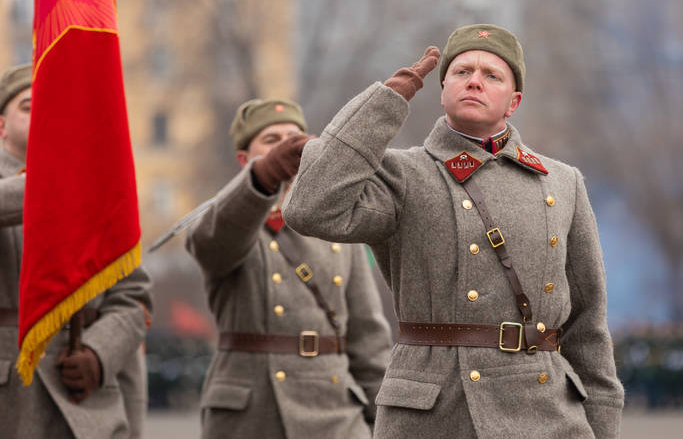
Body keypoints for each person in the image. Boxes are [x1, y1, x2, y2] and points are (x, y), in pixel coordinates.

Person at [283, 24, 625, 438]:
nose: (475, 80)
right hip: (433, 411)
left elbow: (588, 325)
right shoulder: (403, 174)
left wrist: (604, 426)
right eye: (462, 72)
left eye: (492, 75)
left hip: (544, 411)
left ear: (513, 101)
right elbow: (309, 209)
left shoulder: (561, 181)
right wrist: (386, 101)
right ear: (443, 89)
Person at [184, 97, 392, 439]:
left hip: (334, 414)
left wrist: (382, 419)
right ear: (243, 159)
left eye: (294, 137)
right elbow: (212, 244)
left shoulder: (335, 223)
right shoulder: (225, 220)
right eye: (270, 141)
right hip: (252, 415)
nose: (286, 148)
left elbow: (367, 338)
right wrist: (262, 178)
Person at [0, 63, 153, 439]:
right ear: (1, 126)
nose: (45, 113)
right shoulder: (86, 182)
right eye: (29, 105)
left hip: (87, 408)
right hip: (12, 404)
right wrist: (62, 179)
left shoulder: (100, 191)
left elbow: (133, 297)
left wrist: (100, 353)